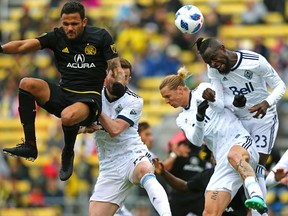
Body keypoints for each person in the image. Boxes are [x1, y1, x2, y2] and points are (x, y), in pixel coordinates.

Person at [1, 1, 125, 181]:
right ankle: (30, 145)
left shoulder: (101, 36)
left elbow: (116, 67)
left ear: (84, 22)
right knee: (26, 83)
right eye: (65, 24)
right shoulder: (56, 36)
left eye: (74, 24)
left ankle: (68, 152)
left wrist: (119, 83)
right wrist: (2, 49)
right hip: (64, 93)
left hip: (88, 100)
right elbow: (22, 46)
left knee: (67, 116)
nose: (69, 28)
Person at [195, 37, 286, 215]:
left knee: (258, 169)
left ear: (222, 48)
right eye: (209, 62)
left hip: (263, 118)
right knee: (243, 166)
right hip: (239, 121)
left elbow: (280, 86)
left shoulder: (255, 61)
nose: (214, 64)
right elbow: (220, 104)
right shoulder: (213, 70)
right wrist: (213, 98)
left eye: (214, 58)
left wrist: (266, 103)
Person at [159, 67, 268, 215]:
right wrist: (199, 117)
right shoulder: (182, 119)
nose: (166, 101)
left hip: (240, 142)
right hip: (222, 161)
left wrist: (239, 103)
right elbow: (197, 141)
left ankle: (256, 195)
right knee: (209, 212)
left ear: (180, 89)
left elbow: (227, 103)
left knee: (233, 156)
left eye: (167, 96)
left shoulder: (204, 89)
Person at [80, 58, 171, 216]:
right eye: (115, 75)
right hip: (109, 165)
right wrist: (81, 126)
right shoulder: (93, 95)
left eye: (124, 77)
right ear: (107, 74)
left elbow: (115, 129)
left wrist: (96, 109)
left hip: (131, 155)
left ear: (128, 80)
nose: (118, 80)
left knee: (144, 170)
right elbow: (71, 124)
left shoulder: (134, 100)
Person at [153, 152, 248, 216]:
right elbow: (184, 186)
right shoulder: (208, 175)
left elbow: (249, 210)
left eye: (219, 156)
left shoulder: (238, 177)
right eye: (213, 156)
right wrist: (163, 173)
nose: (215, 159)